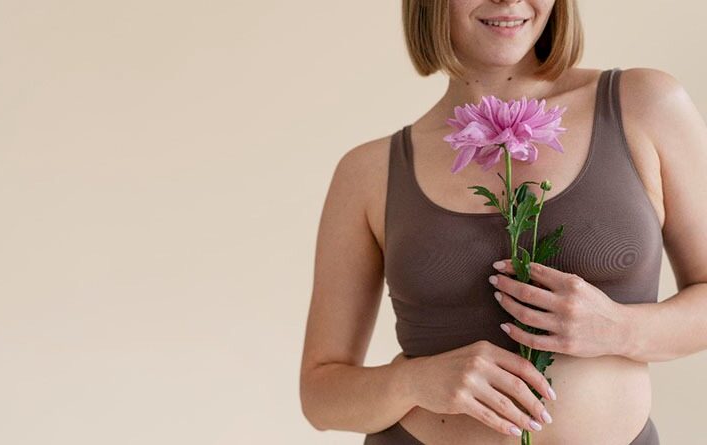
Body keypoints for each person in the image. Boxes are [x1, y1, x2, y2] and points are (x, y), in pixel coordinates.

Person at [300, 0, 707, 443]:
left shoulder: (644, 105)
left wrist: (620, 329)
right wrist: (413, 382)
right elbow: (321, 396)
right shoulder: (369, 171)